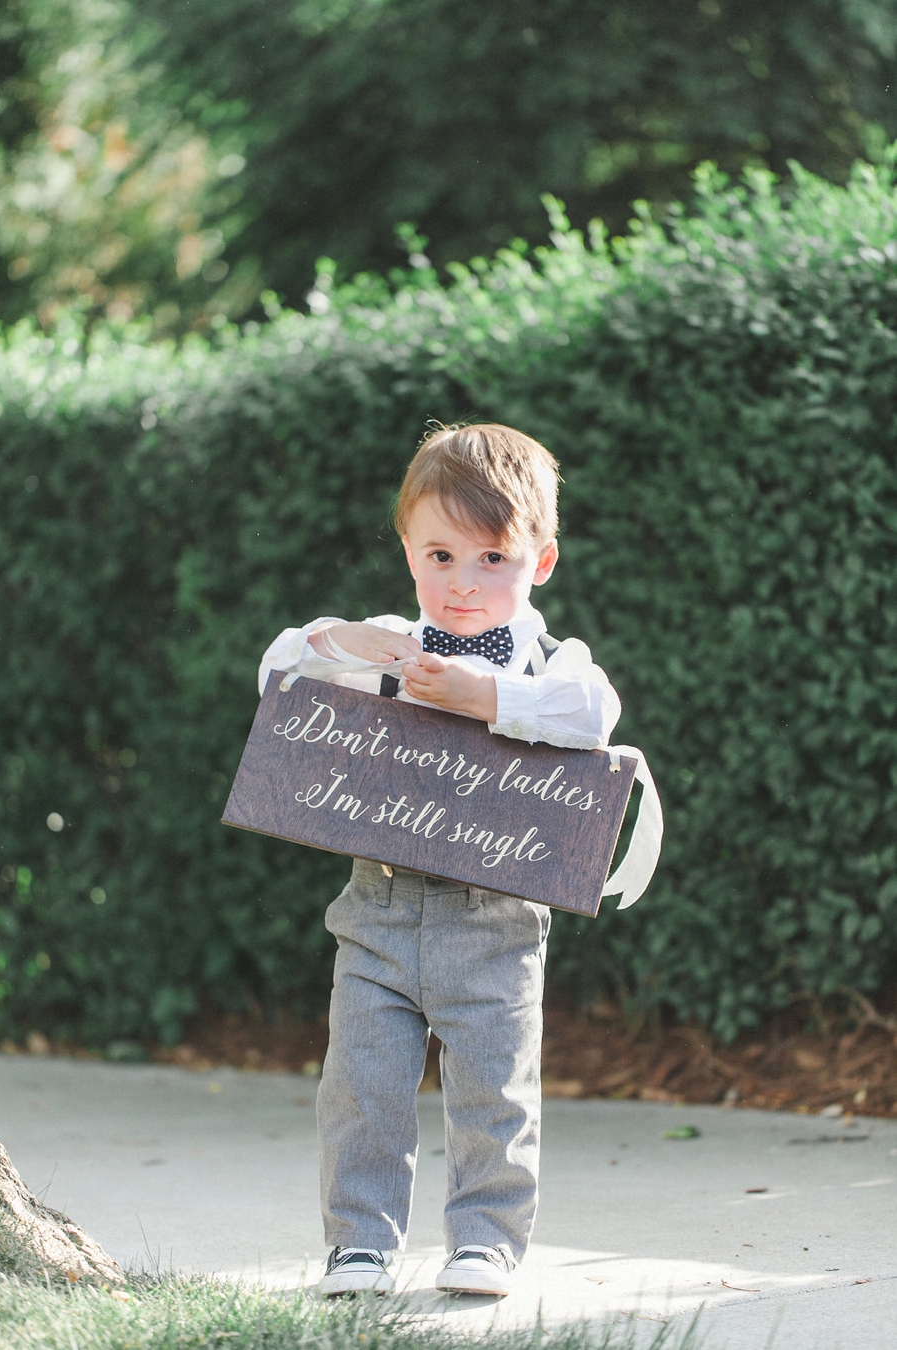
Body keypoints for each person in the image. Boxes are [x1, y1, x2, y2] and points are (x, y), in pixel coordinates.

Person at [258, 423, 622, 1298]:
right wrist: (336, 643)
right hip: (378, 912)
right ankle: (360, 1244)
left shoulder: (548, 663)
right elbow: (278, 673)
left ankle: (487, 1240)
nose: (463, 583)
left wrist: (484, 693)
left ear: (540, 563)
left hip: (494, 920)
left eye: (492, 559)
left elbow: (592, 715)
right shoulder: (389, 641)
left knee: (493, 1089)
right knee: (361, 1086)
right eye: (441, 555)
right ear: (409, 551)